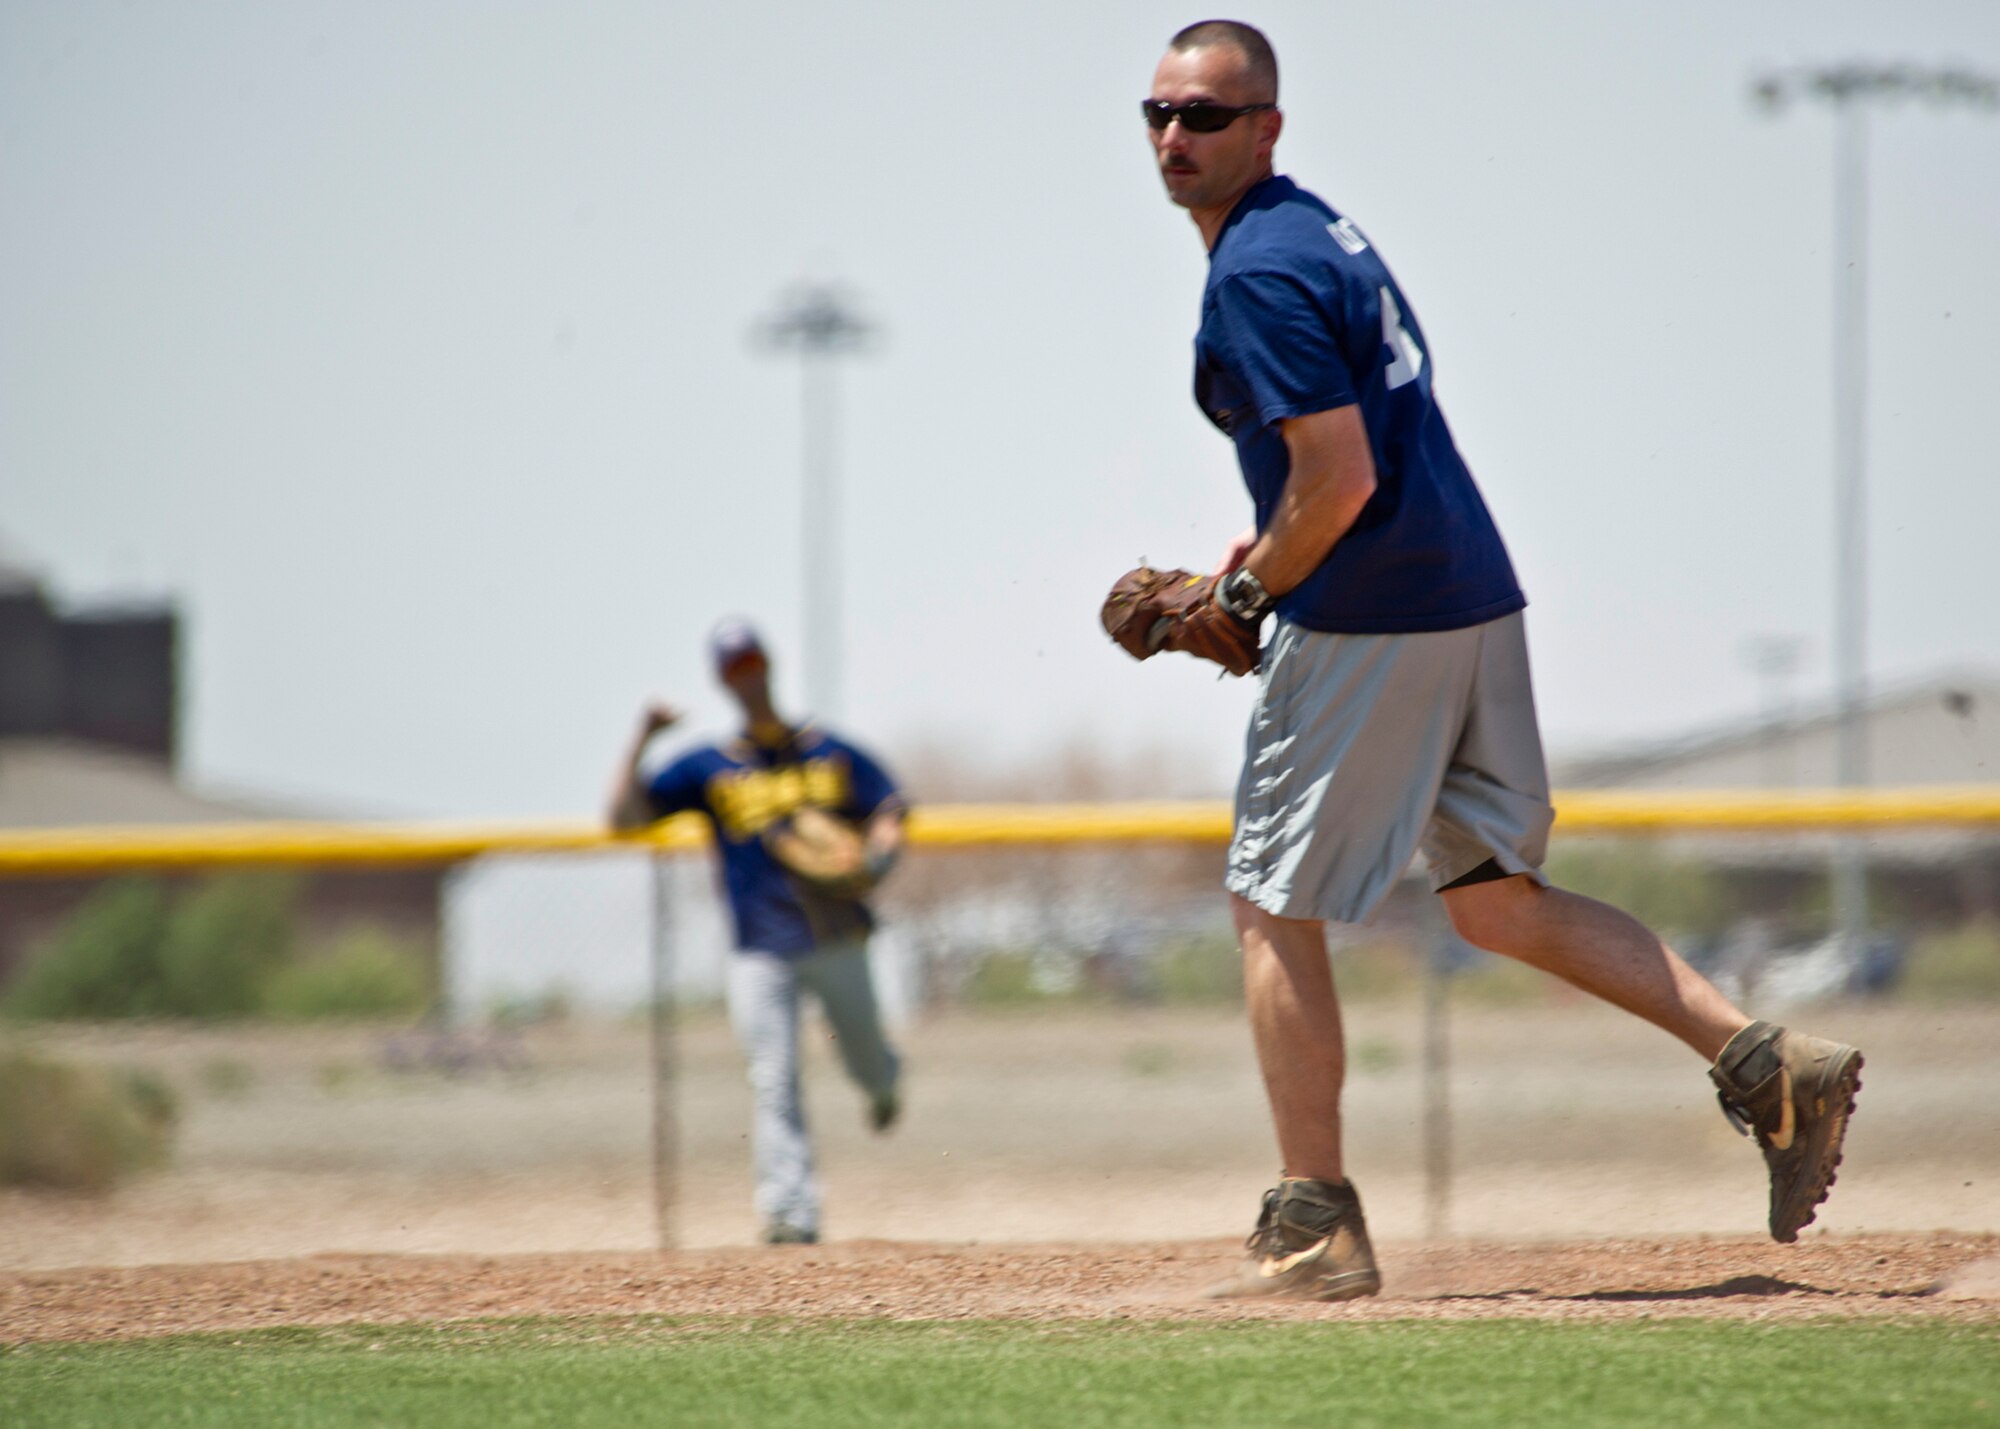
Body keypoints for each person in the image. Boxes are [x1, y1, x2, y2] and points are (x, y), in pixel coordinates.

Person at [1130, 20, 1863, 1301]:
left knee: (1270, 906)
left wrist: (1246, 590)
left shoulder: (1253, 267)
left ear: (1267, 126)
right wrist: (1272, 545)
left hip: (1376, 620)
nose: (1176, 138)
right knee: (1492, 899)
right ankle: (1764, 1062)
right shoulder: (1316, 233)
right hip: (1468, 596)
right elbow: (1356, 459)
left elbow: (1342, 476)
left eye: (1205, 115)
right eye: (1158, 115)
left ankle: (1312, 1228)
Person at [608, 618, 907, 1246]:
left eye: (752, 663)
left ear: (768, 664)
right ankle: (790, 1215)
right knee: (773, 1078)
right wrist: (642, 737)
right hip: (759, 948)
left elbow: (890, 805)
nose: (747, 676)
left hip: (836, 937)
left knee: (866, 1062)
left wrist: (880, 850)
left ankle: (882, 1083)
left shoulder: (827, 751)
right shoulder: (712, 766)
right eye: (733, 668)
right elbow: (624, 820)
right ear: (722, 679)